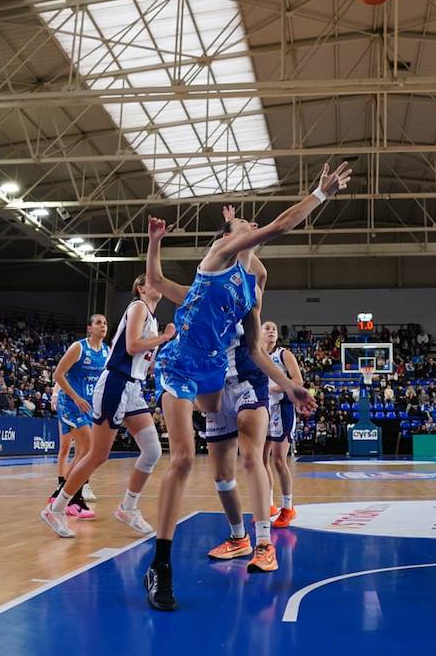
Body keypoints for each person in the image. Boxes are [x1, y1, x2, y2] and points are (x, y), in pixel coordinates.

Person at [138, 164, 347, 610]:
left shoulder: (248, 296)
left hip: (217, 371)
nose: (250, 228)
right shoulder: (216, 259)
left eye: (247, 228)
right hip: (178, 366)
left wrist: (290, 387)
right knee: (181, 460)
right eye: (242, 228)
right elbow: (154, 281)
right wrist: (319, 193)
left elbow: (255, 352)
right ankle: (162, 564)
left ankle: (246, 531)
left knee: (226, 456)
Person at [41, 276, 175, 536]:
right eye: (152, 280)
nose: (159, 284)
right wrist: (166, 338)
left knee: (152, 451)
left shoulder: (154, 320)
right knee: (97, 454)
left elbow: (143, 361)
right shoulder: (138, 307)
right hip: (115, 383)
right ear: (141, 288)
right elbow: (132, 345)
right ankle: (56, 508)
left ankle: (128, 507)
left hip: (133, 387)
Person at [46, 314, 109, 519]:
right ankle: (71, 497)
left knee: (85, 452)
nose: (103, 326)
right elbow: (58, 374)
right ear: (89, 328)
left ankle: (64, 495)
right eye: (98, 323)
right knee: (89, 449)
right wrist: (75, 397)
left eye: (105, 323)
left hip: (90, 406)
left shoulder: (107, 352)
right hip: (71, 403)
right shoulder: (79, 347)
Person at [262, 320, 303, 528]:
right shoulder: (257, 356)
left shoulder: (284, 354)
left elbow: (298, 381)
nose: (271, 331)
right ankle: (269, 504)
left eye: (274, 329)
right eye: (267, 328)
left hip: (282, 408)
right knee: (261, 460)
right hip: (263, 410)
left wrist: (276, 388)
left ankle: (288, 508)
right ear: (259, 333)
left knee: (279, 460)